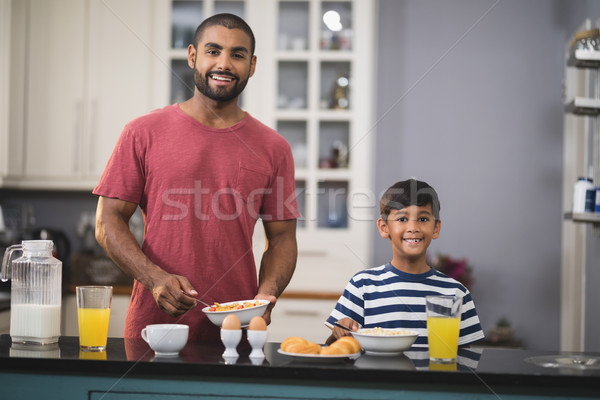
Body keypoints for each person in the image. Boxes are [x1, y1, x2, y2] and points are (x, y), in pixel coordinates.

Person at [94, 13, 300, 341]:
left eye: (237, 54)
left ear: (253, 64)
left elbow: (282, 239)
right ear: (193, 56)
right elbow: (108, 222)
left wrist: (267, 294)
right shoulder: (142, 132)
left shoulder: (274, 148)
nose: (224, 64)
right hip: (154, 328)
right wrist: (154, 278)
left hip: (237, 329)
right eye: (213, 51)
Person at [325, 179, 484, 347]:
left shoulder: (457, 293)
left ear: (436, 228)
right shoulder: (362, 285)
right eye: (402, 219)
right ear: (384, 227)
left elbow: (468, 359)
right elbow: (334, 348)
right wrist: (339, 331)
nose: (413, 227)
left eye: (423, 219)